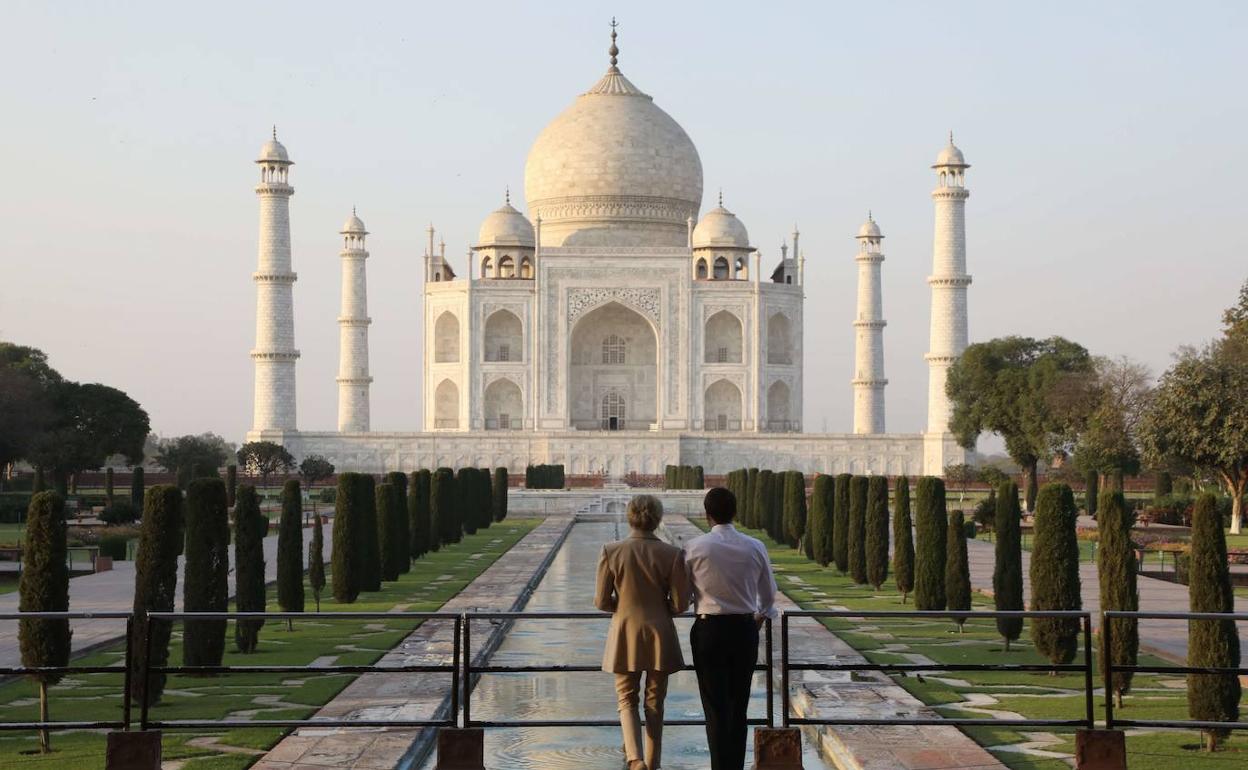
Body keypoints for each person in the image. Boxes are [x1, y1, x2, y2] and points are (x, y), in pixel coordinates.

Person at [684, 486, 779, 770]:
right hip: (743, 630)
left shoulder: (694, 547)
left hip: (708, 631)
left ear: (707, 514)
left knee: (715, 709)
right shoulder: (754, 546)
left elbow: (682, 594)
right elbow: (769, 594)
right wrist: (761, 616)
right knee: (739, 706)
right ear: (735, 512)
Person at [594, 494, 691, 770]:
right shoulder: (672, 554)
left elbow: (601, 601)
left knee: (626, 696)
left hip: (625, 631)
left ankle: (635, 759)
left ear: (629, 517)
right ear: (657, 519)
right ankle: (654, 761)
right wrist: (662, 609)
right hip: (660, 633)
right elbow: (681, 604)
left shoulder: (611, 551)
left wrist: (623, 606)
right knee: (655, 700)